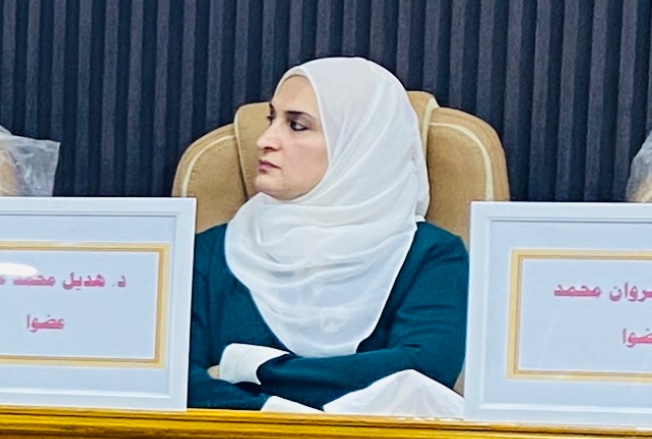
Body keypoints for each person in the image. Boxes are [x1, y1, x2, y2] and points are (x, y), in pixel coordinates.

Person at [188, 57, 465, 409]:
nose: (265, 140)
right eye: (272, 120)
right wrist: (286, 412)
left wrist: (251, 369)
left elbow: (421, 374)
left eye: (297, 125)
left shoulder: (431, 256)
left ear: (360, 147)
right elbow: (178, 383)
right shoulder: (209, 253)